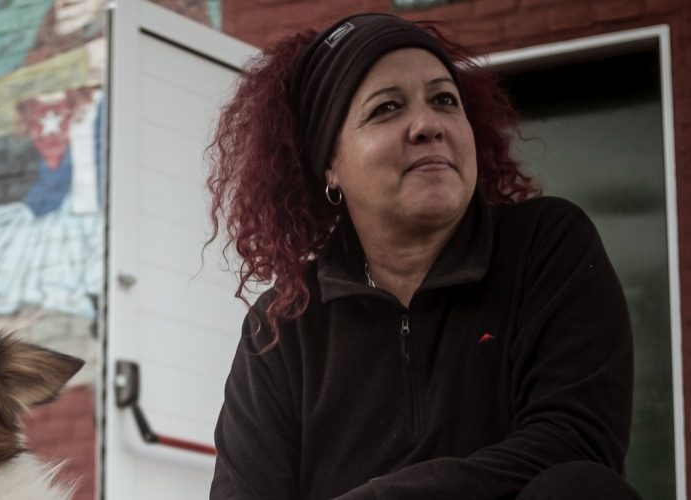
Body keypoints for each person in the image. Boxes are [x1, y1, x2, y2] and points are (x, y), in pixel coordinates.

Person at [206, 13, 638, 500]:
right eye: (387, 108)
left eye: (445, 100)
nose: (429, 125)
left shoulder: (545, 247)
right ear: (330, 164)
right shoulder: (282, 328)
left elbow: (575, 443)